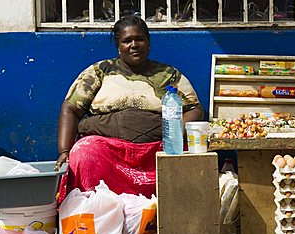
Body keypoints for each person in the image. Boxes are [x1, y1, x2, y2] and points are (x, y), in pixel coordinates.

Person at [54, 15, 204, 203]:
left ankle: (169, 217)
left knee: (186, 156)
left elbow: (194, 109)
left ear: (148, 44)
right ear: (119, 47)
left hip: (154, 151)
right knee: (84, 153)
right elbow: (70, 108)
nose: (134, 45)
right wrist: (64, 151)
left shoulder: (168, 74)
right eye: (127, 41)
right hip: (108, 152)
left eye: (140, 39)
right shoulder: (100, 71)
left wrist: (173, 135)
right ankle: (96, 214)